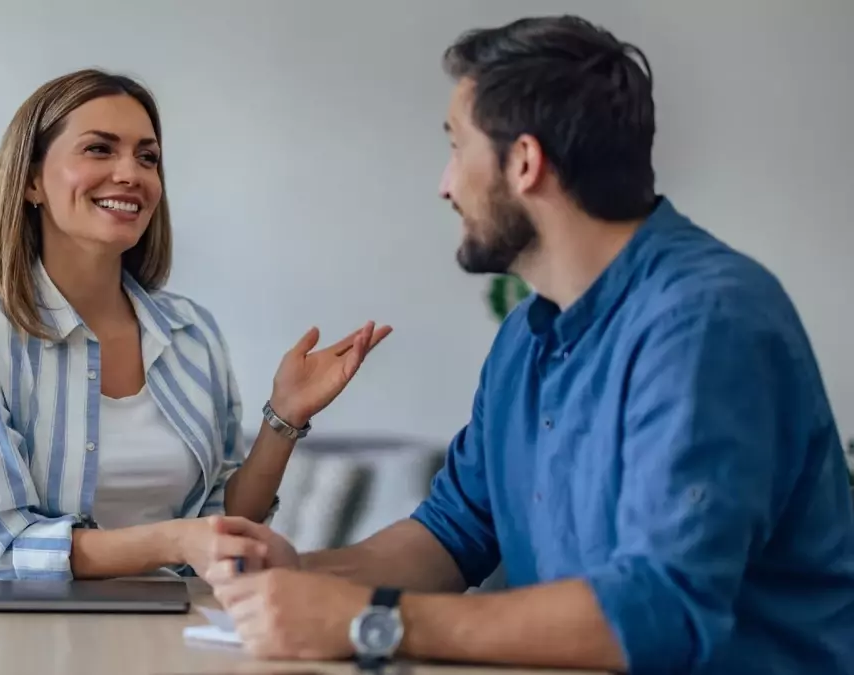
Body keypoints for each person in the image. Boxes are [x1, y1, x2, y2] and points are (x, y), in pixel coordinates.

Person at [200, 15, 854, 675]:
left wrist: (368, 619)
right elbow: (452, 534)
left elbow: (663, 610)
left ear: (524, 162)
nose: (445, 184)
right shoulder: (525, 335)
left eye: (457, 147)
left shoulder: (708, 321)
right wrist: (301, 575)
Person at [0, 70, 391, 581]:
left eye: (147, 157)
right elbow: (7, 546)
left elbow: (223, 521)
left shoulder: (191, 331)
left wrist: (285, 417)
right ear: (30, 181)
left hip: (182, 633)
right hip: (31, 642)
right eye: (99, 149)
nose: (130, 173)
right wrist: (176, 538)